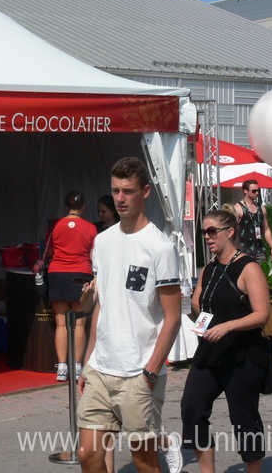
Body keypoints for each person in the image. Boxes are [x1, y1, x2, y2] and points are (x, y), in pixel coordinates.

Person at [77, 156, 183, 473]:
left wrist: (150, 373)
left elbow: (173, 318)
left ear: (145, 191)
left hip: (139, 373)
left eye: (128, 191)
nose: (120, 199)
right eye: (116, 191)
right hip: (100, 370)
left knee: (144, 462)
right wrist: (87, 362)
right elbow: (102, 307)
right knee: (87, 455)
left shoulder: (160, 247)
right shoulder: (103, 240)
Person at [180, 209, 271, 473]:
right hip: (210, 352)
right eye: (204, 232)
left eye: (211, 231)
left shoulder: (249, 267)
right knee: (191, 409)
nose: (207, 237)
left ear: (229, 232)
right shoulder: (209, 268)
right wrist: (190, 309)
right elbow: (200, 306)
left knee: (244, 418)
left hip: (243, 354)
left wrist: (228, 326)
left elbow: (262, 314)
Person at [45, 191, 97, 382]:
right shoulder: (91, 227)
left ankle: (62, 368)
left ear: (66, 206)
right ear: (83, 207)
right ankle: (77, 367)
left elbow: (49, 251)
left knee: (60, 324)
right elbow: (93, 256)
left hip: (57, 272)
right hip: (81, 273)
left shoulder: (55, 225)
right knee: (79, 324)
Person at [233, 180, 272, 263]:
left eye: (258, 191)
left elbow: (266, 229)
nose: (257, 193)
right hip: (243, 250)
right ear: (245, 191)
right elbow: (232, 230)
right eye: (254, 191)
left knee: (260, 274)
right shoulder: (238, 208)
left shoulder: (261, 209)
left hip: (259, 250)